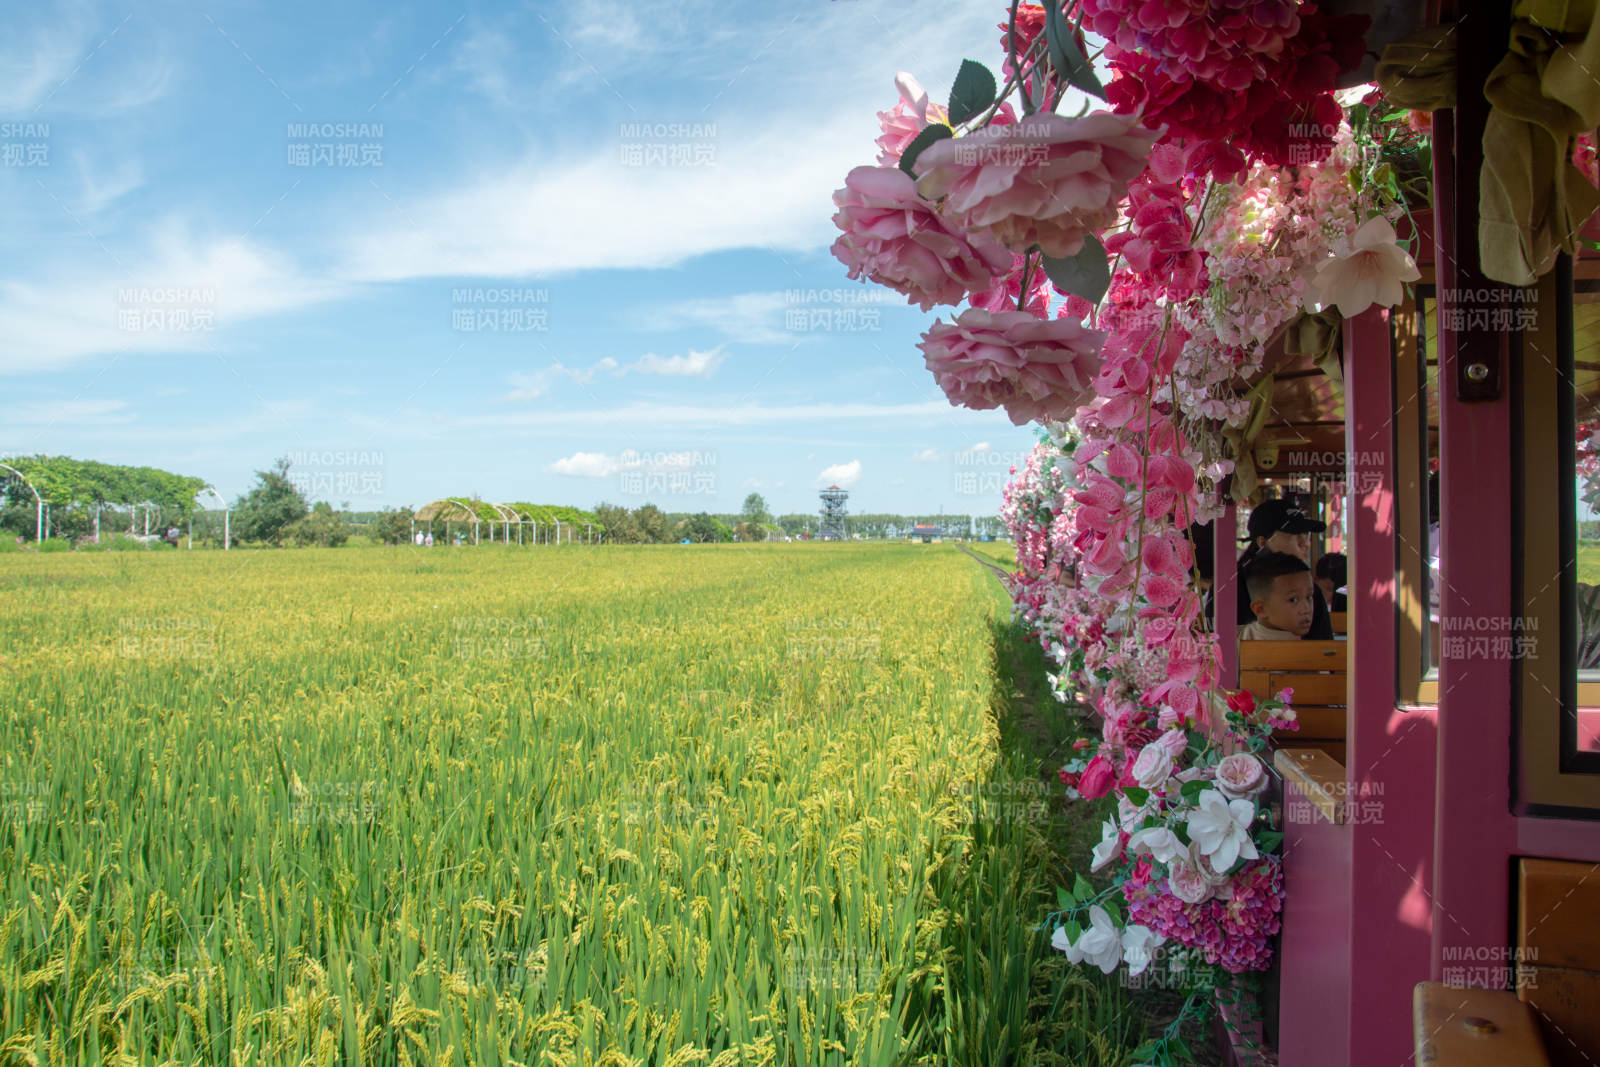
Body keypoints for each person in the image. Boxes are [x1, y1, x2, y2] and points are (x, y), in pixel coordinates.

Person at [1236, 497, 1334, 640]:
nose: (1305, 543)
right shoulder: (1232, 591)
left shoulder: (1310, 590)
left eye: (1305, 535)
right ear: (1263, 542)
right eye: (1294, 535)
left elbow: (1323, 650)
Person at [1240, 551, 1316, 644]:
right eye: (1293, 600)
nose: (1306, 609)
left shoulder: (1239, 635)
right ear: (1261, 609)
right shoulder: (1297, 651)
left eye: (1309, 597)